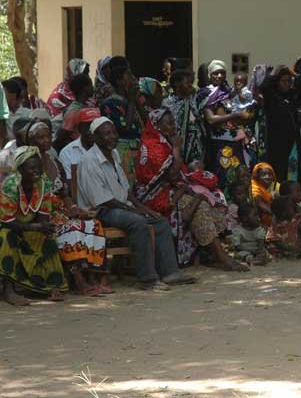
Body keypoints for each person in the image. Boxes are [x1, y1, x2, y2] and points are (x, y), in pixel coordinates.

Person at [77, 117, 196, 290]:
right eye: (107, 134)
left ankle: (170, 273)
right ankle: (148, 279)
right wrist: (135, 212)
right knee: (138, 222)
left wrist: (145, 209)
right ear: (95, 138)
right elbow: (103, 200)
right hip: (100, 211)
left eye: (114, 132)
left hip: (120, 207)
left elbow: (127, 192)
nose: (113, 137)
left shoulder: (114, 154)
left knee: (160, 221)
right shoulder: (89, 161)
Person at [136, 108, 242, 270]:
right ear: (157, 125)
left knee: (215, 196)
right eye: (169, 124)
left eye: (174, 123)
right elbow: (171, 176)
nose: (173, 127)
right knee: (198, 205)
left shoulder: (164, 142)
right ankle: (221, 257)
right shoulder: (153, 145)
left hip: (172, 189)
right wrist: (176, 148)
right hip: (155, 196)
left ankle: (210, 252)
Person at [23, 119, 111, 296]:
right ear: (31, 141)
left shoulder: (54, 161)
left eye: (48, 136)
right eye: (40, 137)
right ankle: (79, 281)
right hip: (41, 212)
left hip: (61, 209)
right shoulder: (28, 162)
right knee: (72, 228)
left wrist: (73, 208)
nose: (46, 140)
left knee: (92, 224)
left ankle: (93, 277)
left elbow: (64, 193)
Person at [0, 146, 69, 305]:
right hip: (7, 226)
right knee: (6, 238)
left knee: (47, 237)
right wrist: (36, 227)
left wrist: (45, 227)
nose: (37, 171)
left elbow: (43, 215)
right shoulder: (10, 186)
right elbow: (8, 222)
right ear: (20, 169)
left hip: (30, 225)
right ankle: (9, 290)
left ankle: (49, 285)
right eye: (32, 168)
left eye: (39, 167)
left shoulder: (43, 182)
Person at [197, 60, 246, 191]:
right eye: (215, 73)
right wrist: (234, 115)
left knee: (238, 178)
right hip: (218, 145)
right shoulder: (206, 94)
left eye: (222, 73)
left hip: (235, 144)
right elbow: (211, 119)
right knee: (222, 178)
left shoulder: (229, 92)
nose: (219, 76)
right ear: (209, 75)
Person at [100, 67, 146, 185]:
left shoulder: (131, 100)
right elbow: (125, 127)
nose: (133, 79)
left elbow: (147, 121)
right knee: (127, 186)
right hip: (123, 152)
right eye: (129, 76)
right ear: (119, 81)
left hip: (138, 149)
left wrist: (135, 100)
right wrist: (131, 101)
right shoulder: (110, 103)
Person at [261, 66, 301, 182]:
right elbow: (264, 87)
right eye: (283, 81)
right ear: (277, 82)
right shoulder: (272, 98)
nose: (287, 84)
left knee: (292, 174)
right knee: (278, 173)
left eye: (289, 81)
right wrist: (274, 73)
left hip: (293, 143)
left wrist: (295, 74)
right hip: (277, 144)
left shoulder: (292, 97)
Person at [162, 69, 205, 165]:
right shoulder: (167, 104)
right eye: (187, 83)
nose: (190, 86)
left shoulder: (193, 101)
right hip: (174, 149)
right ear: (177, 84)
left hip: (194, 151)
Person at [58, 108, 101, 186]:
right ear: (79, 128)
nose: (92, 130)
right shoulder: (67, 153)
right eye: (89, 126)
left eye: (96, 126)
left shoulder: (109, 150)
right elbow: (70, 185)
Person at [55, 73, 95, 151]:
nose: (93, 88)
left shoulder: (86, 106)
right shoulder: (74, 111)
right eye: (90, 85)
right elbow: (61, 137)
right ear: (85, 88)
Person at [251, 162, 279, 228]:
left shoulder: (276, 186)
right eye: (263, 174)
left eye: (270, 174)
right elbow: (260, 204)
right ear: (257, 176)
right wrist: (279, 214)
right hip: (258, 223)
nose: (267, 177)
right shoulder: (255, 187)